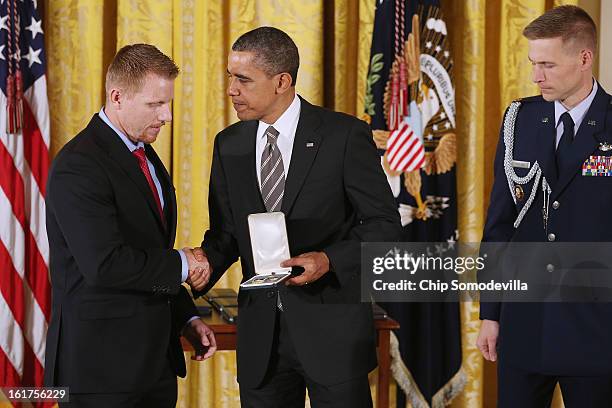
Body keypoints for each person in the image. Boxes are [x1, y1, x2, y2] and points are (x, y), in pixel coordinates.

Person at [190, 27, 401, 407]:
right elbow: (226, 233)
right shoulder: (229, 144)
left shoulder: (344, 136)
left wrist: (329, 259)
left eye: (242, 80)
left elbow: (385, 224)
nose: (231, 90)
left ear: (281, 81)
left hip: (332, 334)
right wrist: (202, 263)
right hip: (261, 338)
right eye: (229, 78)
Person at [44, 43, 216, 408]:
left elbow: (147, 252)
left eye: (168, 103)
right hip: (100, 373)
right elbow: (105, 265)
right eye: (155, 104)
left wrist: (185, 316)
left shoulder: (144, 154)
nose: (167, 115)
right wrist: (185, 263)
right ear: (117, 97)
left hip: (152, 368)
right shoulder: (79, 165)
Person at [476, 6, 612, 407]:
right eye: (534, 63)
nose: (537, 75)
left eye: (548, 64)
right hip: (525, 323)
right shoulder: (520, 118)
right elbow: (500, 224)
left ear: (584, 59)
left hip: (597, 328)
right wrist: (491, 312)